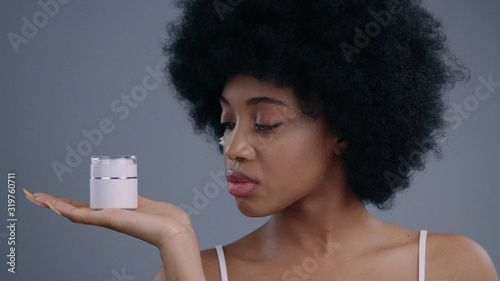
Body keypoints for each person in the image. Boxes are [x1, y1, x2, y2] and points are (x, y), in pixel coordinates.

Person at [25, 0, 499, 280]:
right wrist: (177, 242)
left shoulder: (446, 266)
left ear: (346, 129)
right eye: (227, 123)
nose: (233, 148)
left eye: (265, 122)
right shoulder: (195, 271)